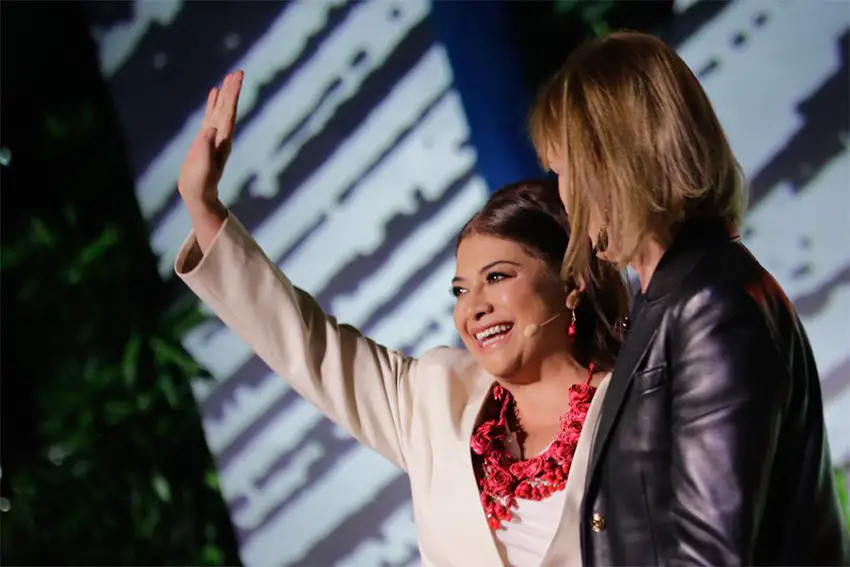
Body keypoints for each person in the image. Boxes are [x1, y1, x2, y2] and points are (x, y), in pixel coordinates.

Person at [174, 71, 631, 566]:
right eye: (460, 290)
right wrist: (204, 208)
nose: (472, 306)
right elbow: (305, 344)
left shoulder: (639, 401)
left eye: (497, 277)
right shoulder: (436, 398)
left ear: (571, 284)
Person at [529, 31, 850, 566]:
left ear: (613, 163)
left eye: (562, 171)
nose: (562, 195)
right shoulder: (670, 301)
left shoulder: (712, 305)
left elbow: (710, 554)